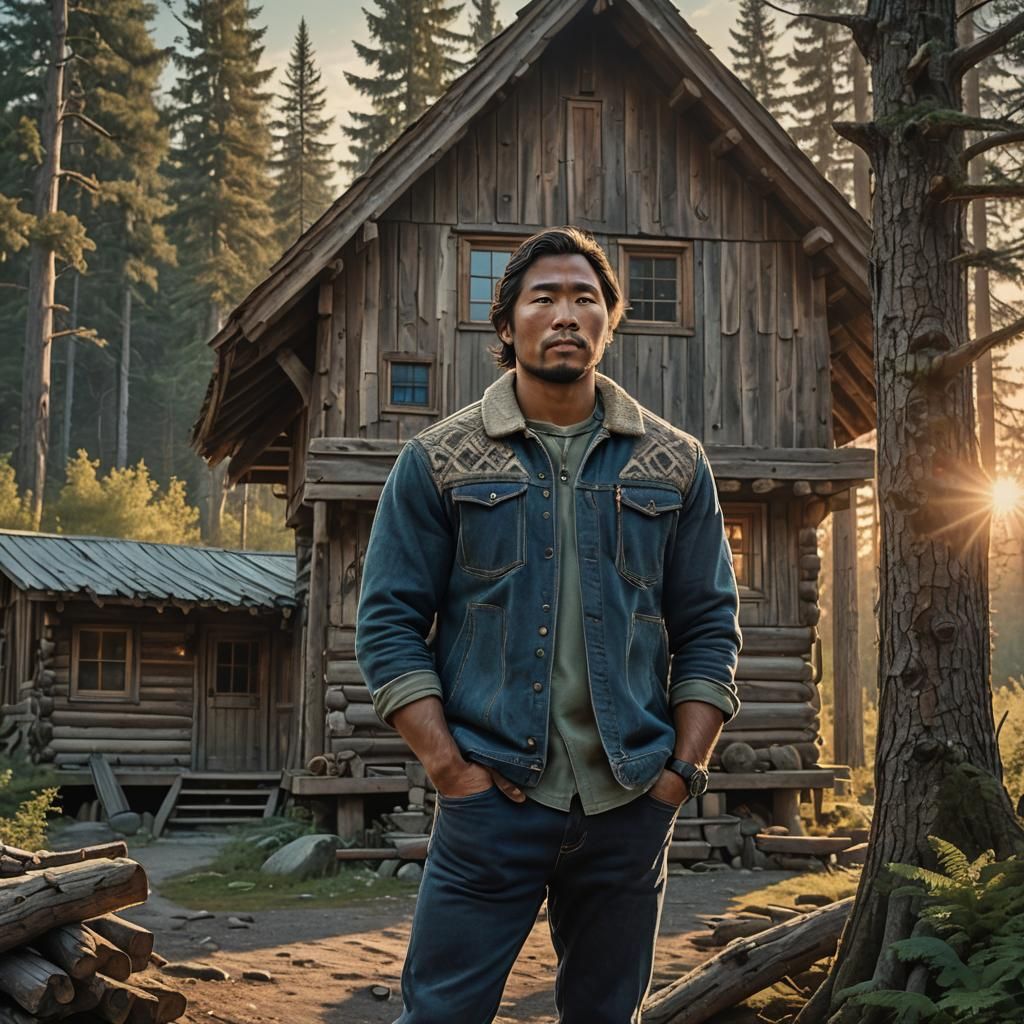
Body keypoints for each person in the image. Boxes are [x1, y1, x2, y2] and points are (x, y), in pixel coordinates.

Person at [356, 226, 741, 1024]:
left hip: (630, 801)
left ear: (609, 321)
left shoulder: (675, 463)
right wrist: (450, 774)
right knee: (439, 1016)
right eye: (544, 297)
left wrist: (680, 777)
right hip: (490, 800)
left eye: (585, 299)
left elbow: (709, 626)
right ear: (507, 325)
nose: (566, 313)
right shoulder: (438, 459)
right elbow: (388, 625)